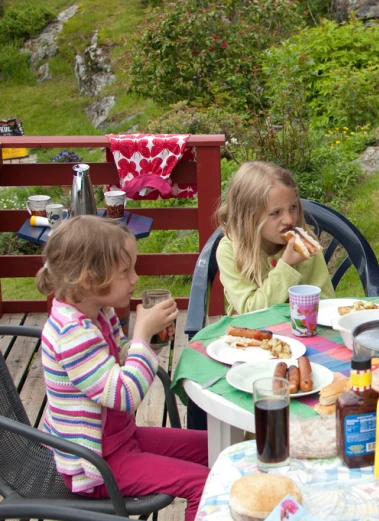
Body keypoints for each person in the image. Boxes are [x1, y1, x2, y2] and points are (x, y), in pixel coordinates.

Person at [36, 216, 208, 521]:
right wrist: (141, 336)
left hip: (120, 440)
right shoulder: (72, 334)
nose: (135, 279)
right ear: (90, 280)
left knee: (217, 446)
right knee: (202, 484)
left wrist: (146, 342)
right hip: (96, 464)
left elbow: (119, 355)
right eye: (125, 271)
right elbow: (124, 395)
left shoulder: (98, 313)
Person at [215, 161, 336, 315]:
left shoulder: (305, 246)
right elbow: (251, 312)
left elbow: (326, 302)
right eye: (275, 213)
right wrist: (286, 266)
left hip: (303, 335)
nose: (289, 220)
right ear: (248, 217)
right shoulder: (231, 250)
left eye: (293, 207)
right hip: (251, 334)